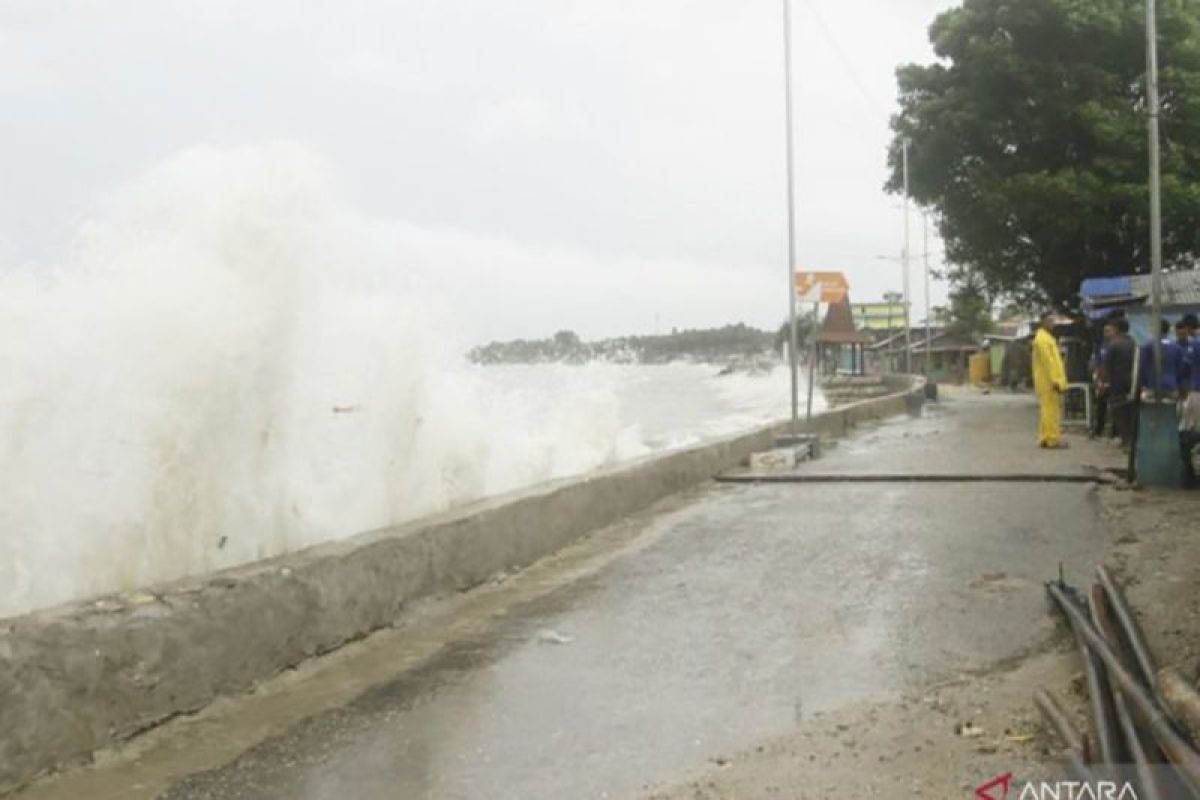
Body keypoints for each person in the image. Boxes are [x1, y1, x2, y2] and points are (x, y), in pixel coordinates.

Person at [1032, 311, 1069, 449]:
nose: (1052, 323)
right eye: (1050, 320)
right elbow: (1049, 362)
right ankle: (1052, 439)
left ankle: (1045, 437)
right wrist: (1056, 380)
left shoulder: (1046, 338)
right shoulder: (1042, 339)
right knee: (1051, 411)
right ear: (1042, 322)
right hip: (1049, 381)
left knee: (1048, 410)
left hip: (1048, 380)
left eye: (1053, 321)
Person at [1102, 317, 1137, 450]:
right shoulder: (1133, 342)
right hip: (1132, 382)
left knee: (1118, 412)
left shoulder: (1113, 345)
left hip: (1117, 383)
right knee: (1131, 412)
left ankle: (1126, 441)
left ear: (1116, 329)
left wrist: (1104, 383)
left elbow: (1107, 367)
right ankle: (1132, 441)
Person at [1138, 319, 1184, 398]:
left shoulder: (1148, 347)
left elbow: (1142, 367)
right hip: (1171, 386)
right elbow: (1180, 369)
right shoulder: (1176, 347)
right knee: (1170, 409)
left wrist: (1143, 385)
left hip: (1152, 386)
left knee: (1151, 409)